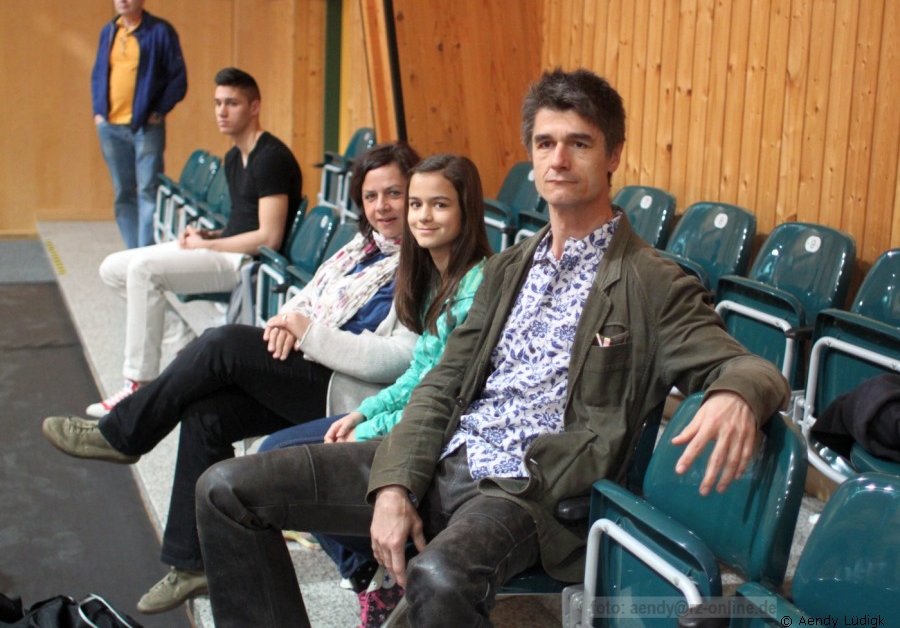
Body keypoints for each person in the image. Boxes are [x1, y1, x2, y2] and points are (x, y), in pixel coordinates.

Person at [194, 69, 791, 628]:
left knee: (439, 578)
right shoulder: (508, 268)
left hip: (526, 490)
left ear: (613, 156)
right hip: (446, 452)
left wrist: (735, 394)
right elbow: (442, 383)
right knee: (225, 490)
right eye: (545, 143)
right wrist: (396, 483)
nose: (559, 159)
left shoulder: (651, 280)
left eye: (579, 144)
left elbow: (745, 364)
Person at [41, 141, 420, 615]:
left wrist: (307, 333)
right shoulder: (360, 247)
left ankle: (123, 433)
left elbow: (397, 359)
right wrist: (283, 323)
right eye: (371, 196)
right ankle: (192, 562)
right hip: (310, 364)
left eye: (394, 193)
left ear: (415, 193)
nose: (382, 207)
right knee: (208, 414)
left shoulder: (420, 262)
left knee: (221, 344)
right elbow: (306, 298)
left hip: (347, 391)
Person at [256, 153, 492, 626]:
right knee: (272, 458)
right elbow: (419, 373)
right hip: (407, 414)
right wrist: (365, 414)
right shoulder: (435, 277)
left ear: (466, 210)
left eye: (439, 205)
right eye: (417, 205)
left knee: (276, 469)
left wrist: (371, 426)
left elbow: (445, 394)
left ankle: (392, 561)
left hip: (441, 435)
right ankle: (375, 569)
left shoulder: (477, 287)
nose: (423, 216)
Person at [86, 67, 302, 417]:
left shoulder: (271, 158)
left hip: (247, 264)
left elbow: (268, 237)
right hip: (226, 249)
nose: (221, 111)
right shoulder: (234, 157)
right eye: (217, 103)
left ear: (254, 107)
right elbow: (243, 221)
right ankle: (186, 346)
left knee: (143, 270)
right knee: (113, 268)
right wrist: (209, 236)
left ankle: (138, 383)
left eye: (231, 103)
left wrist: (209, 247)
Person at [92, 0, 188, 249]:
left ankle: (144, 251)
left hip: (146, 127)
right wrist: (99, 112)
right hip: (110, 126)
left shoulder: (160, 31)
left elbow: (178, 78)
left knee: (148, 189)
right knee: (123, 192)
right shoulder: (109, 31)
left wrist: (159, 110)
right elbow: (98, 73)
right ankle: (132, 250)